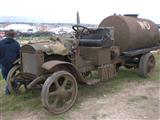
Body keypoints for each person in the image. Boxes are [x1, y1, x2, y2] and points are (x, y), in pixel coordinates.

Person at [0, 29, 20, 95]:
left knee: (7, 77)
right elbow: (19, 55)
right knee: (11, 78)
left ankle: (9, 91)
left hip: (3, 64)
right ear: (14, 35)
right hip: (13, 64)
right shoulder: (16, 44)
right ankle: (14, 86)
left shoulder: (1, 43)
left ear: (6, 35)